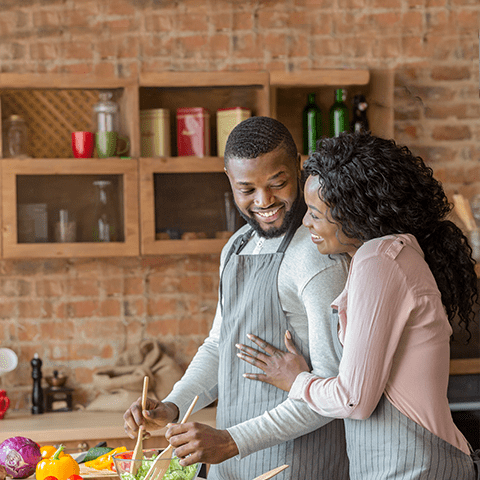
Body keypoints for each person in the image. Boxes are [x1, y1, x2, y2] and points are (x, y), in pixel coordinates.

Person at [236, 132, 479, 479]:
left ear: (354, 214)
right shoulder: (388, 255)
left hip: (416, 468)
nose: (306, 223)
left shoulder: (378, 260)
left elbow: (354, 399)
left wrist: (295, 380)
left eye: (317, 214)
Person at [123, 117, 351, 479]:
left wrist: (231, 440)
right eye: (247, 189)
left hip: (297, 465)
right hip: (233, 462)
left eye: (278, 184)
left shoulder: (313, 256)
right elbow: (219, 346)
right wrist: (172, 405)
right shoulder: (237, 246)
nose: (265, 201)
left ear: (298, 168)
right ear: (228, 178)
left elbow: (335, 388)